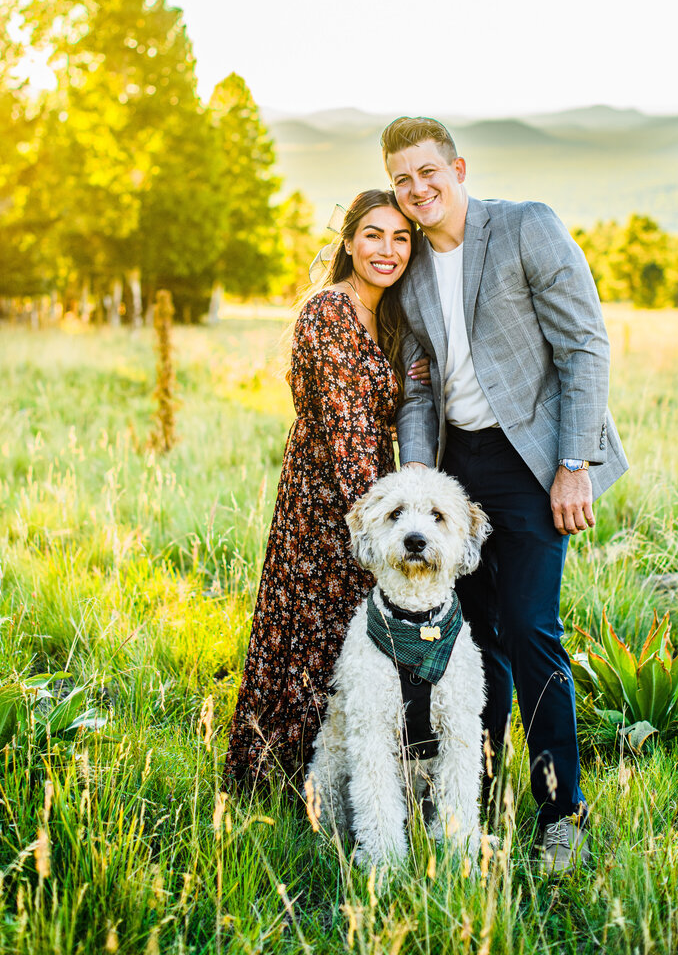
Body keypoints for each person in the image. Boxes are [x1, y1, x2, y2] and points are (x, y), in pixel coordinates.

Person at [381, 117, 628, 872]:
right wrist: (420, 485)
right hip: (459, 473)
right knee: (472, 640)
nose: (417, 190)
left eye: (428, 173)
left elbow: (584, 344)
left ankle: (562, 809)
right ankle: (475, 797)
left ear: (457, 167)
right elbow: (419, 389)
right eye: (402, 181)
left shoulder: (525, 229)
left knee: (529, 630)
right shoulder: (410, 268)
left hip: (535, 462)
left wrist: (574, 463)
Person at [224, 189, 421, 784]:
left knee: (353, 631)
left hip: (368, 488)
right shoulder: (328, 311)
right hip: (327, 495)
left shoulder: (387, 313)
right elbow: (348, 428)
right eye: (373, 235)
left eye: (401, 238)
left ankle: (356, 771)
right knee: (319, 628)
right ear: (349, 241)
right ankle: (289, 775)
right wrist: (382, 523)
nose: (387, 250)